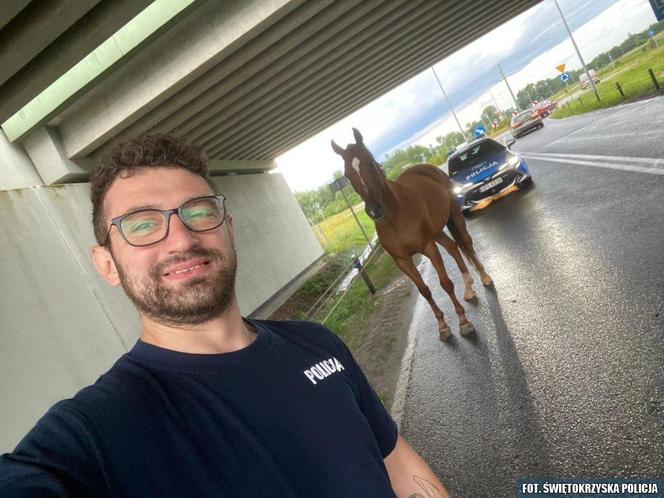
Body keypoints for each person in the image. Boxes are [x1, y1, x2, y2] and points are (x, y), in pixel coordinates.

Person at [0, 135, 449, 497]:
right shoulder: (98, 430)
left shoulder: (318, 344)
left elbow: (398, 463)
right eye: (142, 225)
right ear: (106, 264)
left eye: (198, 212)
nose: (180, 239)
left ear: (228, 231)